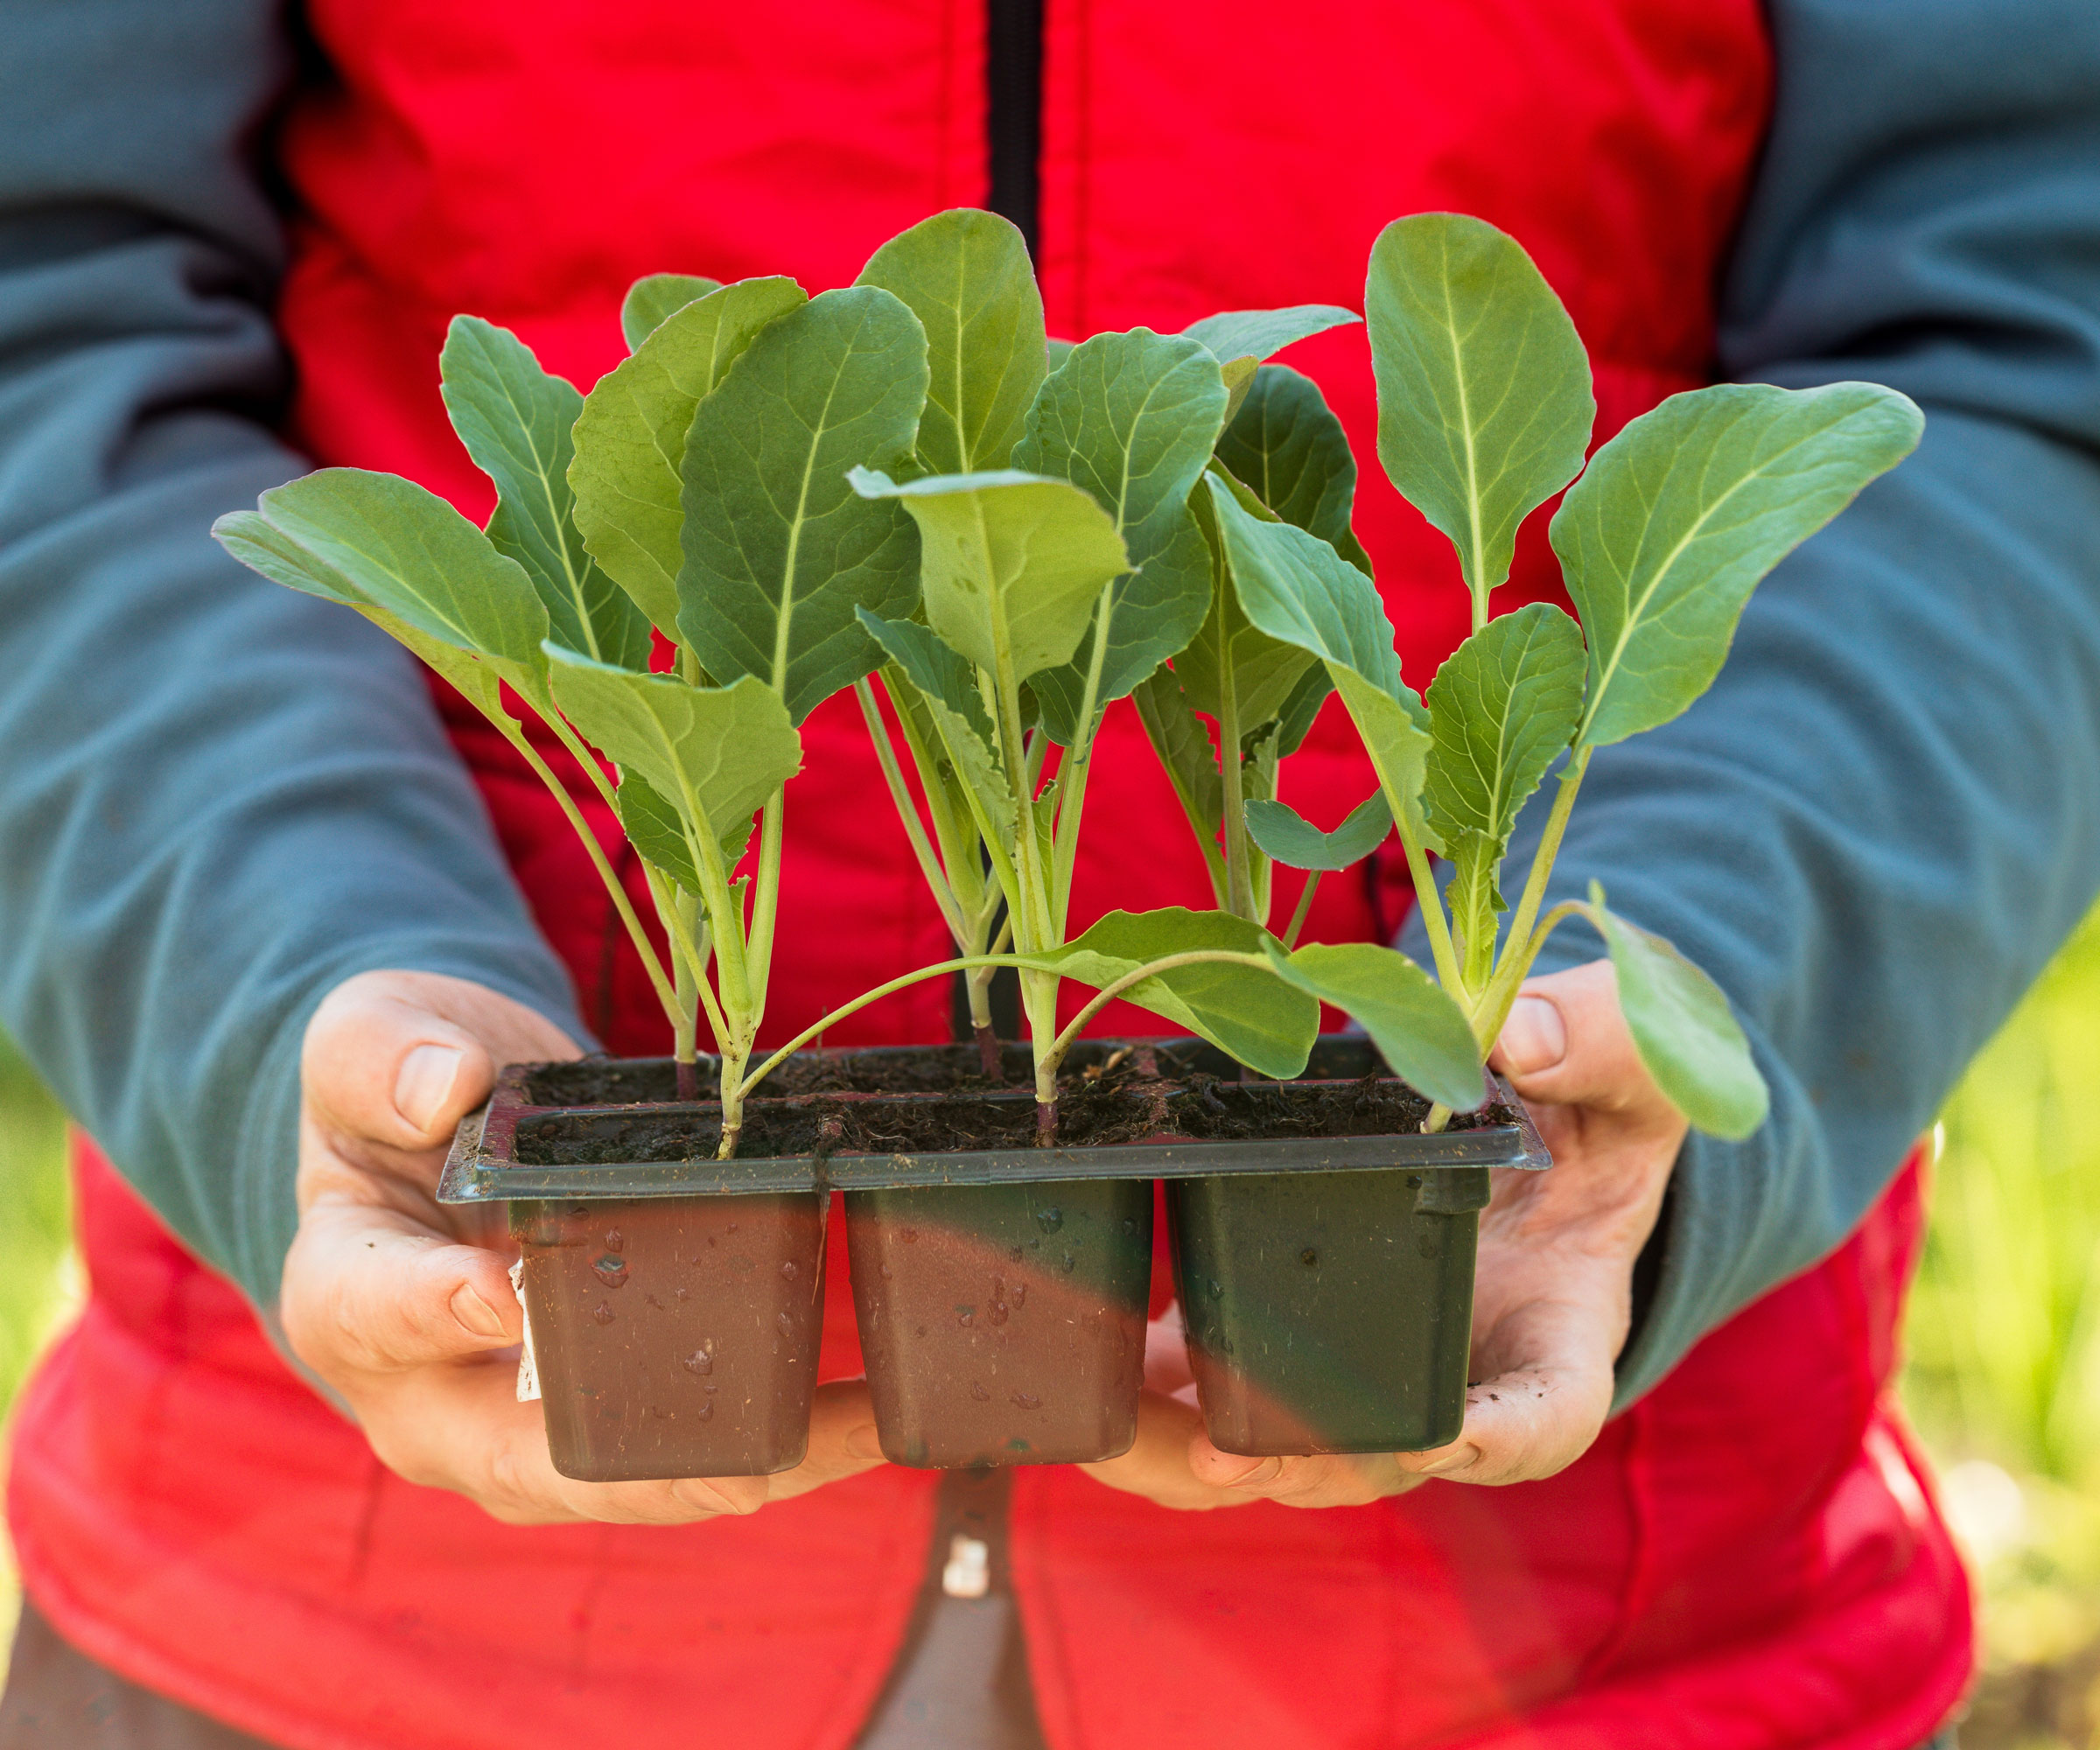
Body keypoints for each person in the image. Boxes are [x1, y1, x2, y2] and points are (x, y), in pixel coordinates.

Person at [0, 1, 2096, 1745]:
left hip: (1561, 1631)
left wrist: (1697, 949)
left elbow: (2035, 330)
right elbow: (43, 320)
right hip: (359, 1612)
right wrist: (275, 973)